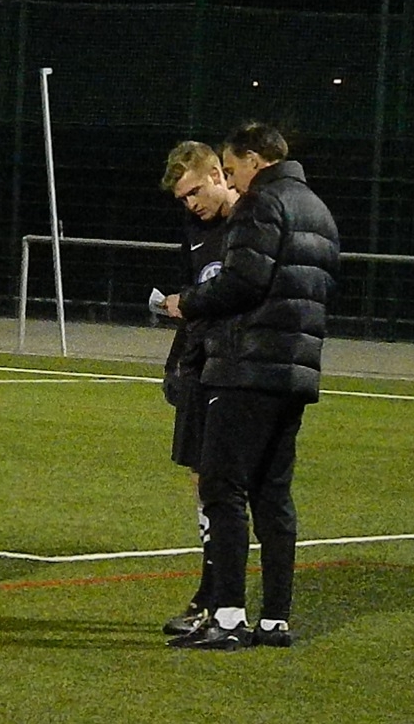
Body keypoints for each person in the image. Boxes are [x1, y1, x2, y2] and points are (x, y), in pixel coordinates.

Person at [162, 122, 340, 650]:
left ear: (252, 160)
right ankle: (274, 619)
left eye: (231, 167)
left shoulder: (263, 203)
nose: (233, 178)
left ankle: (228, 616)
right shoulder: (319, 210)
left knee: (223, 489)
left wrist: (186, 303)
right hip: (295, 370)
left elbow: (243, 282)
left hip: (247, 368)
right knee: (273, 495)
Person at [157, 141, 238, 636]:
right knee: (202, 481)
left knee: (226, 486)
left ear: (217, 174)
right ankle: (211, 591)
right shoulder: (195, 232)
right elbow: (193, 300)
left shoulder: (249, 225)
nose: (191, 204)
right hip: (199, 368)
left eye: (194, 193)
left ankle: (226, 600)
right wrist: (177, 363)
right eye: (183, 199)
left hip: (235, 371)